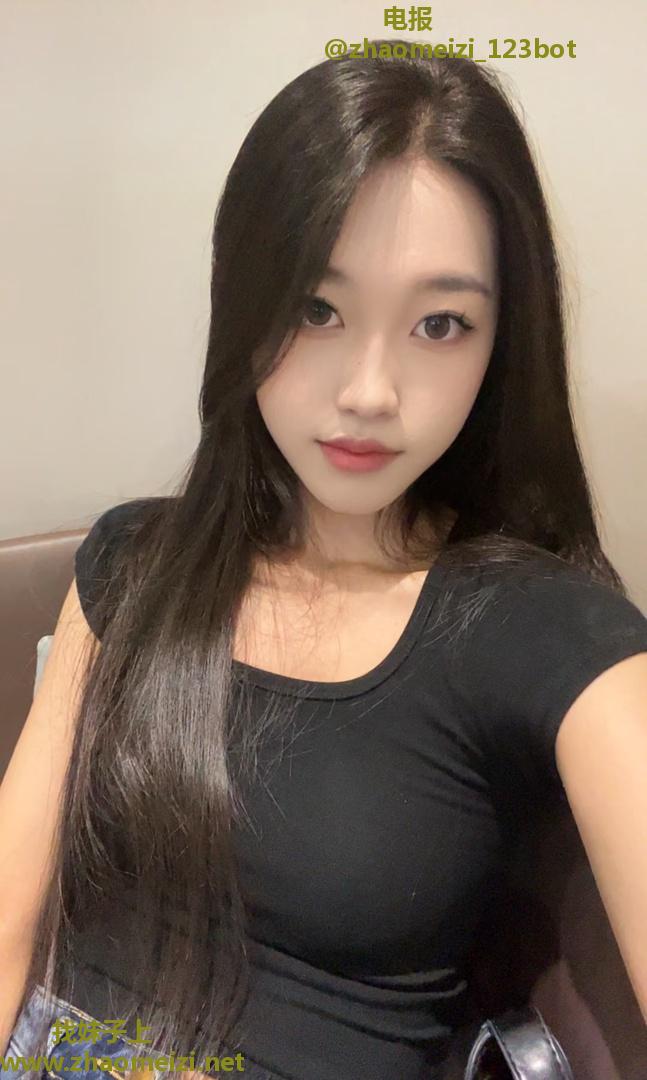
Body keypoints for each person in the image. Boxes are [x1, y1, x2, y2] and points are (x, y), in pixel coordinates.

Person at [1, 40, 646, 1080]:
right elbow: (6, 920)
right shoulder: (134, 563)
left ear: (501, 342)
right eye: (316, 309)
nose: (368, 391)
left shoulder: (549, 631)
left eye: (440, 323)